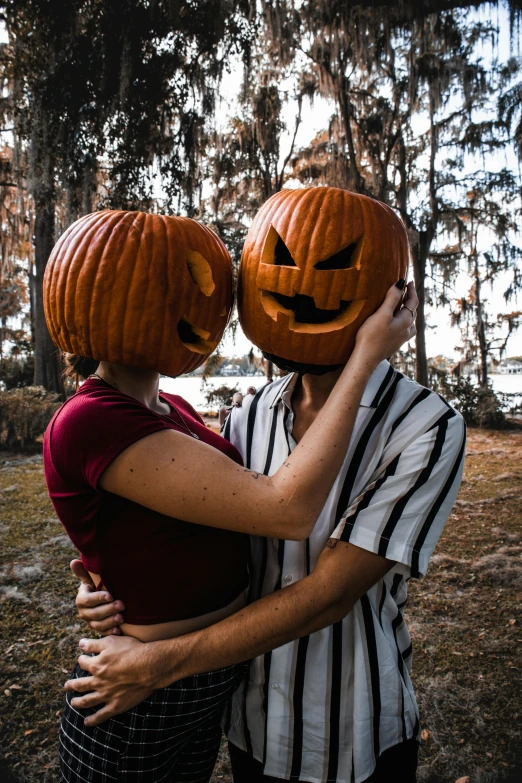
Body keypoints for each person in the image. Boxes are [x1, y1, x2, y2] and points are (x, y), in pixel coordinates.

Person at [45, 225, 415, 783]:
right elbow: (286, 509)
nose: (202, 302)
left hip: (207, 681)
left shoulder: (170, 408)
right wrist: (365, 357)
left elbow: (166, 522)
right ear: (99, 295)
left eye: (209, 285)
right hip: (141, 685)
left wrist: (100, 576)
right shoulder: (90, 418)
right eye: (166, 286)